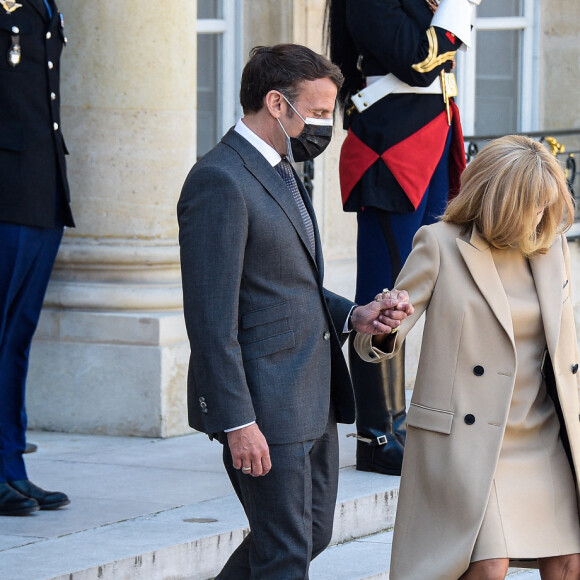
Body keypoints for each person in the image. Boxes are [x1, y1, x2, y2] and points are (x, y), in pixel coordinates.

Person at [177, 43, 406, 578]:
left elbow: (289, 286)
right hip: (264, 404)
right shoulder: (219, 180)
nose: (326, 127)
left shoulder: (283, 169)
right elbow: (211, 320)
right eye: (320, 113)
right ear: (277, 104)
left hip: (311, 396)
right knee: (284, 552)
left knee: (310, 535)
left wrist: (357, 315)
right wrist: (238, 421)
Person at [354, 135, 580, 579]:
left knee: (569, 560)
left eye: (547, 205)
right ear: (500, 199)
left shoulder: (551, 248)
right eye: (532, 204)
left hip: (543, 430)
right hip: (470, 437)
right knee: (487, 564)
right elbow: (376, 343)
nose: (541, 215)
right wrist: (384, 325)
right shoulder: (439, 244)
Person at [325, 0, 481, 475]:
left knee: (413, 290)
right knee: (384, 290)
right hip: (391, 152)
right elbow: (415, 63)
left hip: (428, 139)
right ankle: (375, 435)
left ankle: (398, 420)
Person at [0, 0, 73, 516]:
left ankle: (11, 468)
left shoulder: (46, 5)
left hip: (42, 189)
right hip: (5, 192)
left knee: (17, 340)